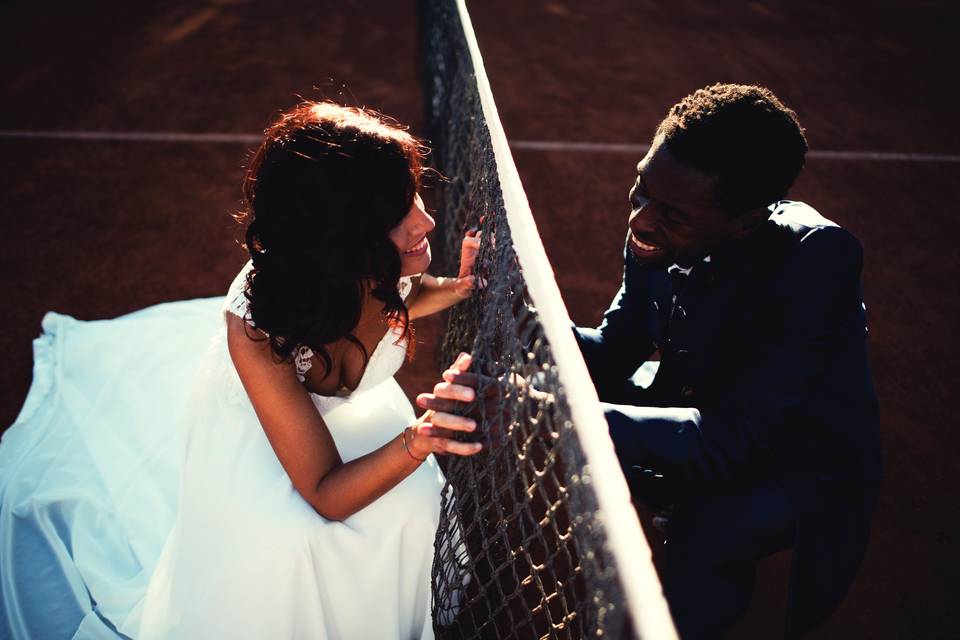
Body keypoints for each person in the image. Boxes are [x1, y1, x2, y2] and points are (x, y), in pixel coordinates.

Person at [0, 101, 482, 639]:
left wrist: (460, 289)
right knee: (289, 545)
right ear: (345, 240)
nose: (427, 220)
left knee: (409, 512)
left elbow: (402, 298)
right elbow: (323, 491)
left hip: (350, 418)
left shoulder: (384, 262)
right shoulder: (257, 330)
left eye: (414, 195)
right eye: (399, 213)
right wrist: (417, 441)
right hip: (267, 436)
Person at [426, 84, 882, 639]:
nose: (641, 220)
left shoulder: (816, 261)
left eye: (671, 215)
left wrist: (548, 411)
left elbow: (736, 441)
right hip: (697, 404)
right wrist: (516, 305)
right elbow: (617, 349)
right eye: (640, 188)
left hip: (796, 458)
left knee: (707, 532)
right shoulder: (660, 219)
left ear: (743, 221)